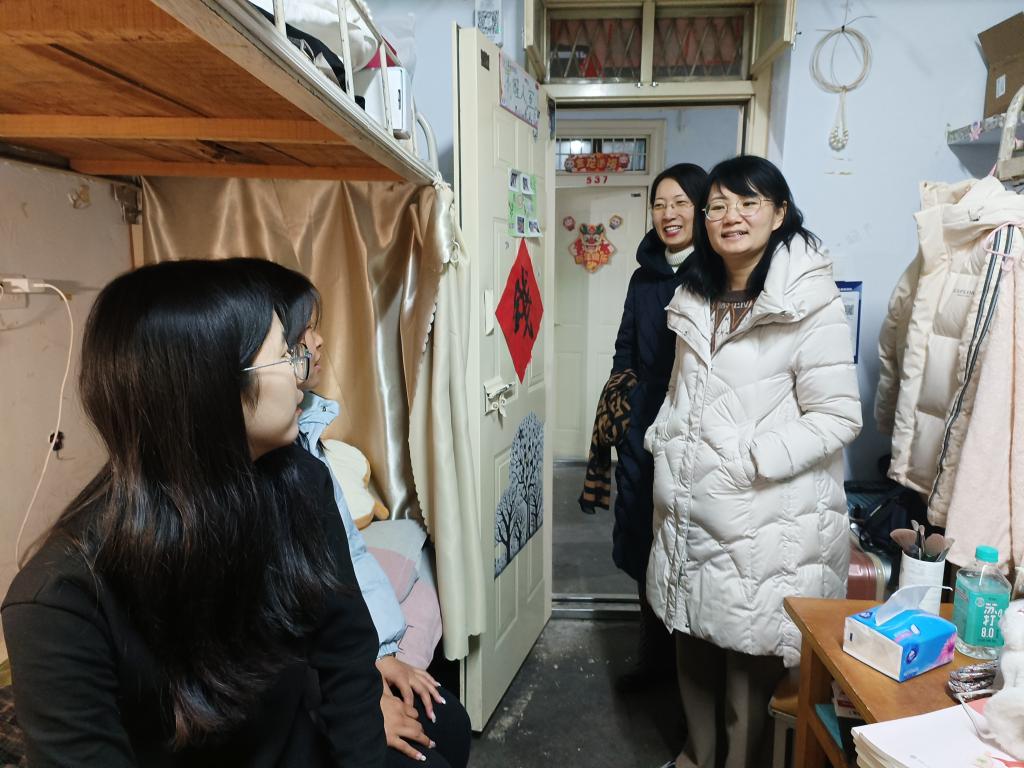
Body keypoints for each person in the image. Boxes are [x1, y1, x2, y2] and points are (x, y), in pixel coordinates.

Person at [1, 260, 386, 768]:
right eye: (285, 355)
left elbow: (347, 649)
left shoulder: (299, 483)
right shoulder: (59, 601)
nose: (303, 373)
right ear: (209, 389)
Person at [646, 156, 861, 768]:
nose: (730, 217)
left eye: (748, 203)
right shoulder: (695, 293)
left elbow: (838, 415)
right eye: (717, 205)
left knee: (746, 658)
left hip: (763, 517)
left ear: (779, 212)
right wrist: (664, 436)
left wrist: (751, 459)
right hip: (690, 507)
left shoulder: (807, 300)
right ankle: (695, 759)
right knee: (692, 643)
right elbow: (682, 389)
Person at [236, 259, 471, 768]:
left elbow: (347, 565)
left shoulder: (303, 462)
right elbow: (289, 636)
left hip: (337, 670)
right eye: (294, 344)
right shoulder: (245, 497)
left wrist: (379, 658)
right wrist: (362, 702)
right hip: (304, 693)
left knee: (450, 724)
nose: (315, 346)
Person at [581, 163, 708, 689]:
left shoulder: (716, 273)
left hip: (696, 431)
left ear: (701, 208)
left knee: (688, 552)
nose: (668, 213)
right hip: (643, 428)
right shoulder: (643, 276)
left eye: (680, 203)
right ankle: (652, 662)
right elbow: (626, 347)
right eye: (659, 204)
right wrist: (626, 407)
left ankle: (690, 680)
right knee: (643, 543)